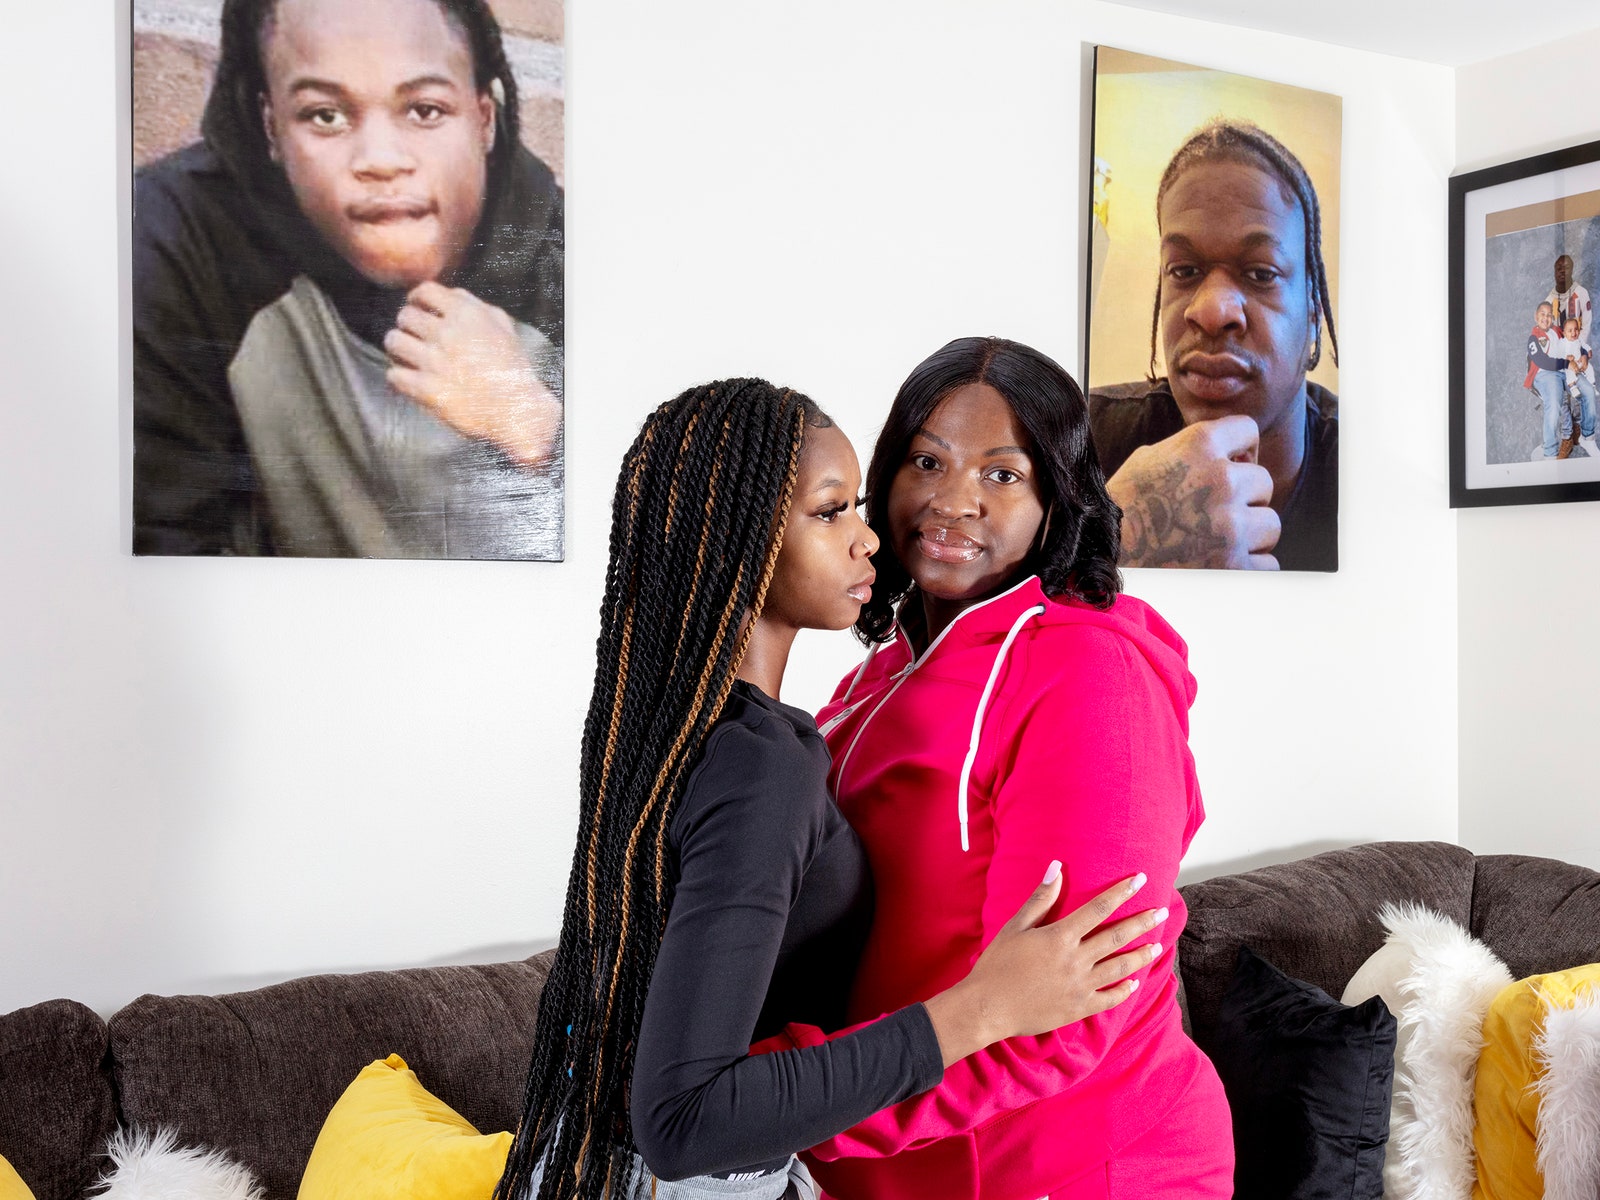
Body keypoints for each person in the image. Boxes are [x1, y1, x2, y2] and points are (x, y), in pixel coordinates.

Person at [493, 380, 1167, 1200]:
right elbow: (682, 1123)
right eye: (829, 512)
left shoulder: (674, 729)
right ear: (735, 538)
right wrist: (981, 1010)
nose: (869, 539)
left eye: (856, 506)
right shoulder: (761, 764)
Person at [797, 338, 1231, 1199]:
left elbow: (1064, 1019)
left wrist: (784, 1104)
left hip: (1078, 1170)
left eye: (1002, 474)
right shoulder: (875, 678)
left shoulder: (1091, 677)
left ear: (1055, 498)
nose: (952, 500)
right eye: (928, 460)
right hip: (893, 1160)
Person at [133, 0, 564, 559]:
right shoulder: (185, 240)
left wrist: (535, 424)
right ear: (270, 126)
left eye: (426, 110)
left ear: (484, 117)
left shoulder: (572, 259)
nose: (381, 160)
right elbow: (154, 554)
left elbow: (677, 556)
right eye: (325, 116)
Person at [1089, 120, 1338, 572]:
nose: (1211, 310)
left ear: (1315, 320)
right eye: (1183, 271)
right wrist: (1114, 540)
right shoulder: (1082, 439)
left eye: (1261, 273)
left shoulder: (1373, 471)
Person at [1527, 302, 1578, 460]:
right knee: (1555, 403)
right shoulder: (1534, 338)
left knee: (1586, 390)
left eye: (1549, 315)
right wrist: (1566, 363)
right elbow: (1543, 361)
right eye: (1542, 314)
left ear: (1553, 318)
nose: (1546, 318)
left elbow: (1571, 343)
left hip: (1564, 371)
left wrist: (1577, 355)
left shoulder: (1557, 331)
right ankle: (1550, 452)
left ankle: (1573, 433)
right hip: (1547, 374)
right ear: (1536, 316)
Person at [1553, 316, 1599, 456]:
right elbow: (1556, 355)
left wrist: (1585, 355)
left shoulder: (1577, 339)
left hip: (1578, 369)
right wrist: (1568, 360)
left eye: (1576, 330)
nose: (1573, 333)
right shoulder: (1561, 342)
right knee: (1582, 396)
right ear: (1564, 332)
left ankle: (1587, 437)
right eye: (1570, 331)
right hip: (1564, 371)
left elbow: (1583, 347)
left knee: (1589, 390)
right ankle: (1579, 436)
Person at [1546, 254, 1591, 349]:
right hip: (1557, 354)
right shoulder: (1549, 301)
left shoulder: (1581, 293)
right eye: (1559, 269)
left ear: (1571, 271)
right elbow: (1545, 330)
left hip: (1577, 351)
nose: (1562, 271)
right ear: (1554, 272)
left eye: (1566, 268)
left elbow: (1586, 324)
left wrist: (1577, 348)